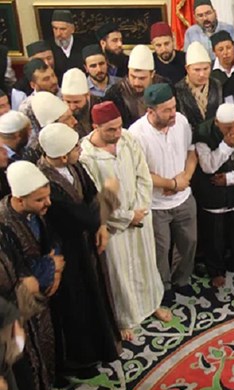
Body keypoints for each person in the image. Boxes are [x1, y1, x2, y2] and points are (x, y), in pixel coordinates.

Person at [36, 122, 121, 377]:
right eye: (75, 148)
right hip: (68, 253)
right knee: (77, 306)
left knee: (96, 297)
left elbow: (90, 194)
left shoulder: (75, 165)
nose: (80, 150)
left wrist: (101, 226)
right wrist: (109, 195)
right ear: (62, 156)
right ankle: (81, 361)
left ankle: (102, 348)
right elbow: (84, 215)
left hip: (87, 244)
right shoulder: (46, 184)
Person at [79, 101, 169, 341]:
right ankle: (124, 319)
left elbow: (143, 175)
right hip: (114, 227)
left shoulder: (128, 139)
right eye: (111, 130)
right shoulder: (86, 156)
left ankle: (152, 305)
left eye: (119, 127)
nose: (117, 133)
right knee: (119, 274)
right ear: (95, 127)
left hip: (140, 215)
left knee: (146, 263)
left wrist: (139, 209)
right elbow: (97, 198)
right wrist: (127, 217)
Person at [128, 84, 198, 302]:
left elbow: (191, 152)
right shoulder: (136, 134)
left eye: (174, 107)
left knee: (189, 242)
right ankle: (163, 287)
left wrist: (184, 179)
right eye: (167, 110)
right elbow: (139, 173)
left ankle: (181, 280)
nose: (173, 113)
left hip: (183, 198)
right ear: (151, 111)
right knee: (160, 249)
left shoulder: (181, 122)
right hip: (156, 204)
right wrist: (170, 183)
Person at [0, 161, 62, 390]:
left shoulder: (35, 211)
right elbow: (20, 275)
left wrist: (56, 269)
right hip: (17, 315)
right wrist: (51, 266)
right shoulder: (5, 226)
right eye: (40, 200)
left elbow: (52, 238)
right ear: (19, 200)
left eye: (48, 196)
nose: (48, 203)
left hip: (40, 305)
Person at [193, 103, 234, 287]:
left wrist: (233, 178)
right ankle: (216, 271)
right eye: (228, 127)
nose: (233, 131)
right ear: (217, 123)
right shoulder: (202, 132)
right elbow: (208, 166)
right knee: (214, 235)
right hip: (212, 190)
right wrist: (226, 145)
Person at [103, 45, 169, 128]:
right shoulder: (115, 94)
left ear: (152, 74)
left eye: (142, 78)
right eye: (133, 77)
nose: (136, 83)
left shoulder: (164, 87)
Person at [175, 42, 222, 131]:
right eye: (197, 70)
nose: (202, 74)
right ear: (187, 69)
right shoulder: (178, 90)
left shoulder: (216, 84)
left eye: (206, 69)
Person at [48, 10, 89, 79]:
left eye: (63, 29)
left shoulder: (85, 45)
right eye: (55, 28)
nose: (58, 34)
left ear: (72, 29)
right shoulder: (48, 46)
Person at [60, 68, 97, 138]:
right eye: (68, 102)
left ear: (88, 95)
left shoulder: (99, 104)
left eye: (76, 102)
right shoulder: (60, 113)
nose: (72, 107)